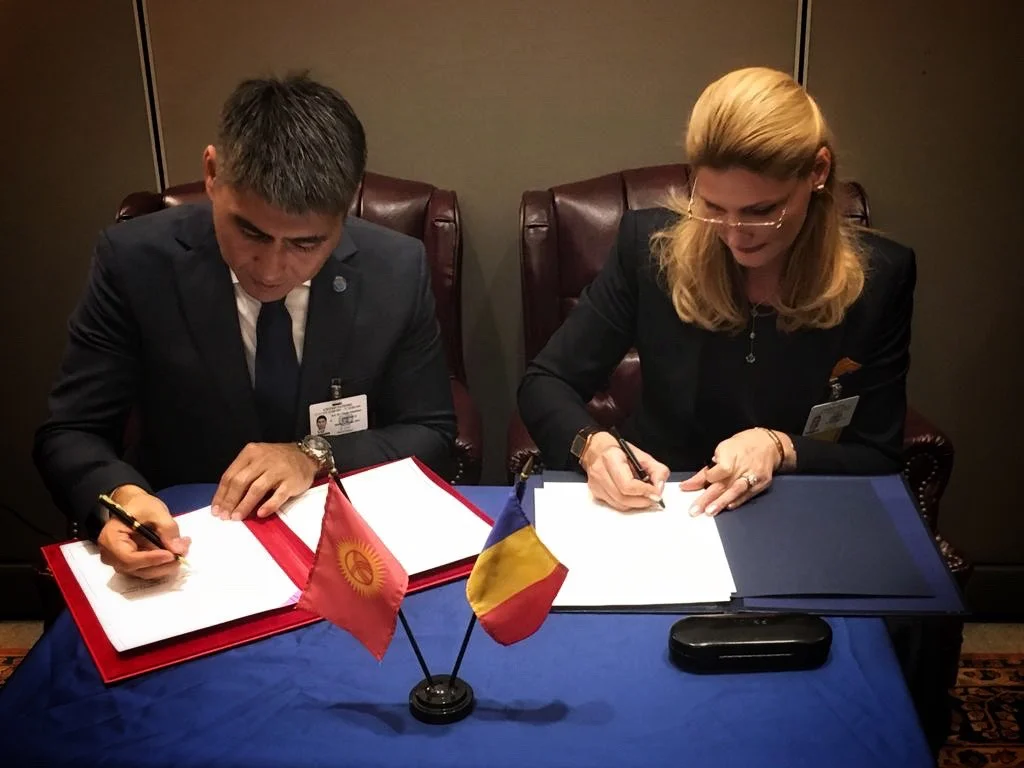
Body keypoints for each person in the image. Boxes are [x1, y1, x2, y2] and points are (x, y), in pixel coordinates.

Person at [35, 73, 456, 581]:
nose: (272, 270)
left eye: (305, 244)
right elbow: (72, 431)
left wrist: (314, 456)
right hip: (191, 539)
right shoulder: (134, 263)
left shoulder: (396, 270)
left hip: (344, 547)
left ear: (346, 207)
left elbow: (432, 432)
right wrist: (121, 498)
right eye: (250, 232)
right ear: (212, 173)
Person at [519, 66, 914, 514]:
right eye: (712, 206)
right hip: (662, 503)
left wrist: (780, 447)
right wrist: (593, 447)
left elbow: (877, 455)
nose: (733, 233)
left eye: (761, 211)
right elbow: (546, 382)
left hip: (792, 508)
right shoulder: (649, 250)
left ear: (817, 172)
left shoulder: (880, 277)